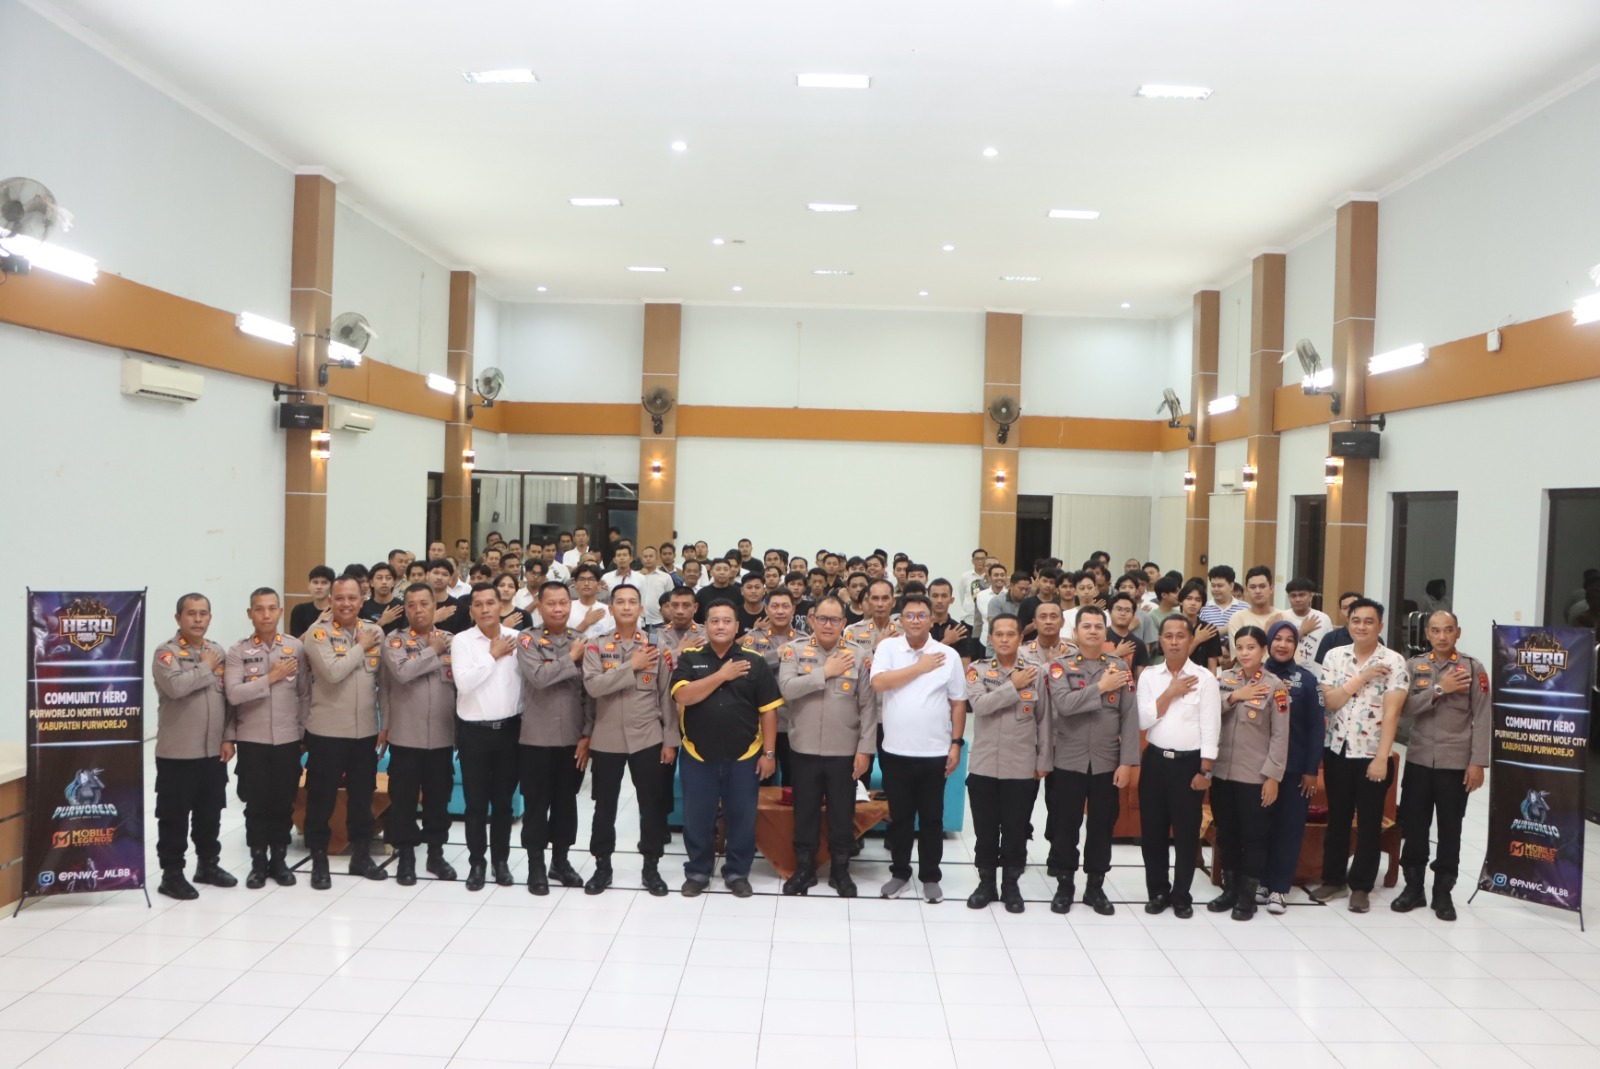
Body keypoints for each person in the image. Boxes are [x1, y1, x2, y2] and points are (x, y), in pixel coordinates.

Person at [669, 602, 784, 897]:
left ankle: (737, 872)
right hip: (698, 754)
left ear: (737, 627)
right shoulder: (690, 658)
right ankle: (697, 871)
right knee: (697, 818)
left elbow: (768, 711)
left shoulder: (755, 661)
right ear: (706, 625)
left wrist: (769, 754)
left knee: (742, 818)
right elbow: (683, 696)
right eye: (714, 621)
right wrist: (722, 675)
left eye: (726, 621)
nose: (720, 626)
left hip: (745, 755)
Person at [1311, 598, 1409, 912]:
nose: (1362, 626)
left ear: (1380, 626)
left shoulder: (1394, 661)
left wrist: (1382, 758)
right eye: (1356, 620)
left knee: (1368, 823)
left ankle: (1361, 886)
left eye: (1369, 621)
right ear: (1348, 623)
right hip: (1337, 749)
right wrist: (1364, 676)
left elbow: (1392, 714)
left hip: (1372, 754)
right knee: (1337, 818)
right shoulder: (1334, 656)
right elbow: (1331, 702)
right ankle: (1334, 879)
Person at [1040, 605, 1138, 915]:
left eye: (1098, 626)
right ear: (1076, 631)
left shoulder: (1119, 667)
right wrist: (1101, 688)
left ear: (1105, 632)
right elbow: (1064, 705)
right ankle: (1065, 884)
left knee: (1102, 826)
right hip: (1068, 759)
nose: (1093, 631)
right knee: (1065, 824)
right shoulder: (1060, 666)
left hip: (1107, 761)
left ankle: (1095, 886)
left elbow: (1129, 716)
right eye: (1087, 626)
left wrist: (1127, 762)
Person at [870, 593, 968, 903]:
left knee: (932, 818)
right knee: (899, 817)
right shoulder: (888, 648)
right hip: (895, 751)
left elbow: (958, 703)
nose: (915, 620)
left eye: (922, 615)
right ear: (900, 620)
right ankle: (899, 873)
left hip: (935, 752)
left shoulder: (947, 655)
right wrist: (920, 667)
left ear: (931, 619)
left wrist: (956, 744)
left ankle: (930, 876)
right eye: (909, 615)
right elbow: (879, 683)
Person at [776, 595, 876, 897]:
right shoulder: (794, 650)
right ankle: (804, 869)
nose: (828, 625)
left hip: (844, 750)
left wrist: (865, 750)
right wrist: (825, 672)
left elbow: (868, 706)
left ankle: (840, 871)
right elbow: (787, 689)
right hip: (803, 748)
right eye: (822, 618)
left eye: (834, 619)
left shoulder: (858, 654)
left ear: (844, 623)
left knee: (842, 814)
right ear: (812, 620)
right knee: (804, 811)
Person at [1393, 611, 1489, 921]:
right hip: (1420, 758)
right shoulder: (1414, 666)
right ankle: (1413, 888)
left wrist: (1478, 762)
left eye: (1448, 630)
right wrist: (1439, 689)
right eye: (1435, 630)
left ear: (1458, 632)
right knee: (1414, 826)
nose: (1442, 636)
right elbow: (1404, 708)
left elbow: (1483, 717)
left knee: (1450, 829)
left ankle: (1443, 891)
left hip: (1455, 762)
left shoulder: (1473, 668)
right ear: (1427, 634)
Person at [582, 585, 677, 895]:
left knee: (651, 805)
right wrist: (630, 666)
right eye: (620, 602)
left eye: (632, 602)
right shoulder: (596, 645)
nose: (626, 607)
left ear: (640, 608)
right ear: (610, 609)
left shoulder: (657, 644)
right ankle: (602, 866)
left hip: (647, 736)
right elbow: (594, 687)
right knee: (604, 806)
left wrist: (670, 740)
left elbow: (667, 695)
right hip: (607, 737)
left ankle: (651, 867)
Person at [302, 577, 387, 889]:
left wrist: (385, 724)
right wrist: (360, 646)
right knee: (321, 799)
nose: (346, 604)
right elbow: (333, 672)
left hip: (365, 731)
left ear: (362, 600)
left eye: (352, 598)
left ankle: (361, 856)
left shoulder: (375, 631)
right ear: (330, 601)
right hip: (327, 732)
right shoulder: (318, 633)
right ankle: (319, 859)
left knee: (362, 797)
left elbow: (384, 683)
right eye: (339, 598)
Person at [223, 588, 308, 890]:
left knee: (283, 802)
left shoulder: (295, 647)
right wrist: (271, 677)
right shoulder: (238, 651)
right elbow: (234, 694)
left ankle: (279, 860)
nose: (266, 615)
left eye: (272, 608)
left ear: (281, 611)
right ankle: (258, 863)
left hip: (287, 739)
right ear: (250, 614)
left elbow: (305, 694)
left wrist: (302, 732)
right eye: (259, 609)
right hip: (253, 739)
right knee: (256, 804)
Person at [151, 593, 236, 900]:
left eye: (203, 613)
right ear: (178, 618)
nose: (198, 619)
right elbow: (175, 687)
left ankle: (208, 865)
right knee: (174, 816)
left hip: (213, 751)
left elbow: (228, 698)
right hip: (178, 753)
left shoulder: (217, 651)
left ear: (210, 617)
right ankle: (171, 874)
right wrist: (205, 667)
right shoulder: (166, 653)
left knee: (210, 813)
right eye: (191, 614)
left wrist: (228, 737)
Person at [1135, 615, 1220, 919]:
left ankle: (1182, 895)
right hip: (1155, 762)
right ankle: (1158, 891)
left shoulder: (1204, 678)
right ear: (1160, 640)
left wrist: (1205, 770)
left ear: (1190, 640)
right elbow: (1143, 720)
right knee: (1153, 832)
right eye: (1168, 636)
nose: (1173, 642)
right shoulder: (1149, 677)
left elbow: (1211, 726)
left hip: (1189, 765)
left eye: (1180, 636)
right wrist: (1170, 692)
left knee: (1186, 834)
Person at [964, 615, 1050, 913]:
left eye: (1010, 634)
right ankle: (986, 883)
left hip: (1021, 765)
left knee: (1015, 831)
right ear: (990, 638)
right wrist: (1012, 685)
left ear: (1020, 639)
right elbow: (980, 706)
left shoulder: (1035, 672)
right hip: (984, 765)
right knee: (985, 831)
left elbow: (1044, 720)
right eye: (998, 634)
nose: (1004, 639)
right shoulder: (977, 670)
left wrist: (1043, 760)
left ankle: (1011, 886)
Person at [378, 582, 460, 886]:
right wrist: (432, 651)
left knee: (439, 799)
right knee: (403, 800)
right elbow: (401, 674)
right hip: (405, 735)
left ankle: (436, 854)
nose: (418, 610)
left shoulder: (452, 641)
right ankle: (406, 856)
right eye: (411, 605)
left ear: (435, 607)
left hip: (442, 735)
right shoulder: (394, 641)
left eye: (424, 604)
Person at [516, 580, 593, 894]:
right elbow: (538, 677)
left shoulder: (582, 641)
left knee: (566, 804)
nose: (558, 609)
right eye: (551, 603)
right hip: (536, 738)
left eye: (563, 603)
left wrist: (588, 733)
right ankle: (535, 865)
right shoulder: (528, 639)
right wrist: (570, 658)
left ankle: (560, 861)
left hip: (573, 739)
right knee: (536, 805)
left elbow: (590, 692)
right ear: (540, 606)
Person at [1208, 626, 1289, 921]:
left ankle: (1247, 896)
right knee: (1227, 834)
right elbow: (1209, 714)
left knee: (1253, 837)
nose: (1244, 653)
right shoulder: (1224, 680)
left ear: (1263, 650)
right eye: (1239, 647)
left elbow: (1280, 736)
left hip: (1254, 776)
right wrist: (1235, 697)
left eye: (1251, 647)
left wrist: (1273, 777)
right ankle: (1230, 890)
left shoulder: (1275, 686)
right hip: (1222, 772)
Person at [450, 583, 524, 891]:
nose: (484, 609)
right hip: (474, 734)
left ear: (500, 606)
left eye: (490, 603)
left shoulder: (518, 638)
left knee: (504, 804)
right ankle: (477, 863)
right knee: (476, 804)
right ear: (471, 611)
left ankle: (501, 862)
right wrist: (492, 656)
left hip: (510, 731)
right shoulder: (462, 641)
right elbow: (464, 683)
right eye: (478, 604)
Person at [1259, 620, 1324, 915]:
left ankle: (1278, 888)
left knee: (1288, 829)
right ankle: (1260, 881)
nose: (1283, 644)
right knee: (1260, 828)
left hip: (1295, 768)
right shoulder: (1256, 675)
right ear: (1269, 642)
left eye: (1289, 640)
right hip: (1258, 768)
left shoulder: (1306, 681)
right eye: (1278, 639)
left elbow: (1316, 728)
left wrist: (1311, 770)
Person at [741, 589, 803, 784]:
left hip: (794, 721)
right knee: (761, 782)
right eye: (775, 606)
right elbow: (745, 670)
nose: (780, 611)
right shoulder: (753, 638)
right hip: (760, 722)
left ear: (793, 609)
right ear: (766, 609)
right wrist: (776, 655)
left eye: (785, 606)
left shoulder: (804, 640)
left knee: (794, 783)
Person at [1228, 566, 1284, 643]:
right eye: (1253, 587)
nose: (1257, 591)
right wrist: (1266, 634)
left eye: (1262, 586)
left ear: (1271, 589)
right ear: (1246, 590)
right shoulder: (1237, 619)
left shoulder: (1282, 617)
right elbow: (1238, 650)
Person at [1284, 578, 1333, 667]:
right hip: (1287, 671)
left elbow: (1330, 649)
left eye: (1302, 595)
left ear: (1310, 596)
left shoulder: (1323, 619)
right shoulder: (1282, 617)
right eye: (1293, 596)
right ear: (1288, 598)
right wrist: (1301, 632)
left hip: (1316, 672)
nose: (1298, 599)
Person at [1179, 581, 1223, 672]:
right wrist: (1196, 640)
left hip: (1202, 677)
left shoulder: (1210, 630)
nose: (1193, 603)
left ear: (1202, 604)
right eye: (1189, 598)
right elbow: (1176, 661)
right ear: (1181, 601)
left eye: (1198, 600)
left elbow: (1212, 667)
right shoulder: (1172, 627)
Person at [1314, 592, 1364, 663]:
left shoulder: (1374, 639)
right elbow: (1321, 666)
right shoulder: (1330, 638)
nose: (1349, 611)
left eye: (1353, 606)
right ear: (1340, 613)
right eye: (1345, 608)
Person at [288, 564, 336, 638]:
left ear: (332, 586)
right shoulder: (299, 611)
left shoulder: (336, 611)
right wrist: (318, 623)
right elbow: (296, 642)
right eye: (315, 582)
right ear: (309, 585)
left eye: (324, 583)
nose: (319, 587)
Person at [570, 563, 615, 638]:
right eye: (582, 579)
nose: (586, 583)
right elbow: (565, 639)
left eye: (591, 579)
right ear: (575, 585)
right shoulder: (568, 609)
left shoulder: (608, 610)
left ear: (598, 586)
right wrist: (586, 622)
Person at [361, 563, 405, 634]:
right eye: (379, 578)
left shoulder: (402, 607)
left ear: (394, 582)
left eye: (388, 578)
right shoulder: (363, 607)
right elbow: (362, 636)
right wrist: (382, 621)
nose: (384, 582)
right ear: (371, 582)